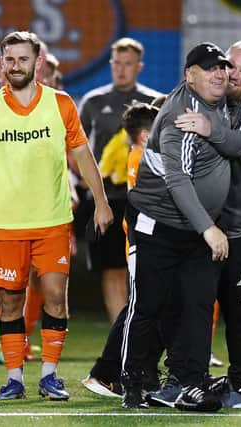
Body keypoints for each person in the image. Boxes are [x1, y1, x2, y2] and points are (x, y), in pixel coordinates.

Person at [0, 31, 113, 400]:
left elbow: (83, 155)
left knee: (55, 296)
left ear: (37, 62)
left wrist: (101, 202)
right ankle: (15, 378)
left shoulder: (61, 103)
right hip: (6, 224)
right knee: (10, 302)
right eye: (10, 59)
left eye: (23, 59)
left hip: (53, 219)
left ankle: (50, 376)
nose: (15, 66)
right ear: (2, 62)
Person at [120, 42, 232, 411]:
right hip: (159, 224)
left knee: (198, 305)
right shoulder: (178, 118)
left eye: (223, 67)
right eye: (210, 68)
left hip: (193, 226)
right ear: (189, 74)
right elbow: (178, 181)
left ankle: (190, 382)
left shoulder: (215, 104)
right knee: (149, 304)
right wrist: (209, 229)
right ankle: (133, 381)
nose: (220, 74)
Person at [172, 40, 241, 409]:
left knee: (238, 305)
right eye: (230, 65)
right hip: (208, 223)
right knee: (190, 301)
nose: (233, 75)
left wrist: (205, 127)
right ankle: (183, 378)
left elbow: (235, 144)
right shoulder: (209, 98)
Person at [78, 37, 161, 323]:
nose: (121, 70)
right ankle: (121, 333)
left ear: (139, 67)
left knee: (144, 268)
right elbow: (74, 148)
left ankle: (143, 330)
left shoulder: (154, 102)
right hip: (105, 198)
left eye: (128, 64)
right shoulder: (93, 101)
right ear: (110, 64)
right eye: (117, 63)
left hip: (146, 198)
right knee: (112, 268)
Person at [81, 102, 161, 398]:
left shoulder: (139, 153)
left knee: (146, 310)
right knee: (138, 310)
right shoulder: (144, 157)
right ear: (144, 135)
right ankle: (109, 373)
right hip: (148, 244)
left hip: (146, 243)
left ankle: (138, 373)